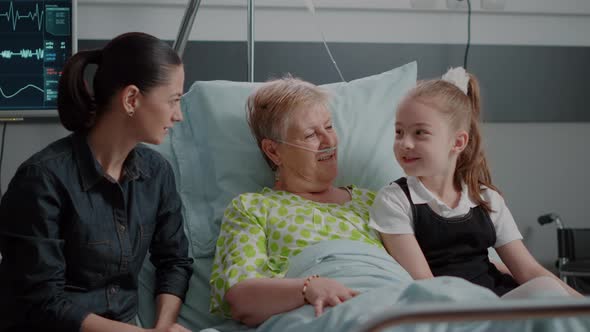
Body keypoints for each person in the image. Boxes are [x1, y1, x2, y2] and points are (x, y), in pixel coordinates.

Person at [0, 32, 194, 332]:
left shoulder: (157, 174)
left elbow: (175, 262)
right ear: (132, 99)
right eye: (174, 100)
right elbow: (42, 302)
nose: (178, 115)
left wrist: (164, 327)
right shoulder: (41, 181)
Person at [369, 67, 581, 298]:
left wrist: (580, 305)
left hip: (500, 299)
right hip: (452, 310)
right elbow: (424, 284)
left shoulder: (487, 199)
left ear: (458, 142)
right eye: (399, 132)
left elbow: (529, 271)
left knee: (546, 288)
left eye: (420, 133)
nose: (405, 143)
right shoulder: (394, 200)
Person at [208, 76, 385, 327]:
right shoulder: (253, 208)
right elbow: (240, 297)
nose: (329, 141)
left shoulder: (374, 201)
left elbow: (420, 276)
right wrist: (308, 288)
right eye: (311, 134)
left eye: (329, 127)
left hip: (389, 304)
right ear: (273, 151)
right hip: (319, 316)